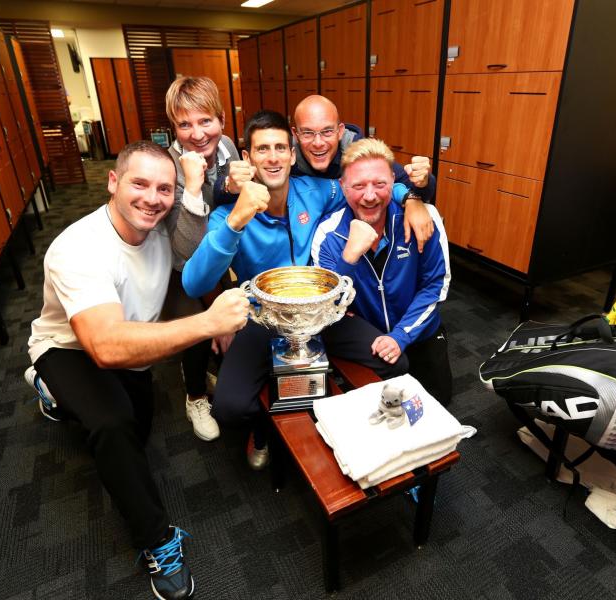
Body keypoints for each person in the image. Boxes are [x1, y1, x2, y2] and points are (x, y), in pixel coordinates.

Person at [25, 140, 251, 600]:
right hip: (71, 346)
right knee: (111, 425)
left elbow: (194, 271)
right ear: (113, 181)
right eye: (140, 183)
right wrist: (208, 323)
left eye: (164, 188)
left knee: (139, 429)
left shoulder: (163, 227)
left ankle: (75, 400)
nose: (152, 198)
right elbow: (105, 347)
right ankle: (158, 541)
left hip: (131, 344)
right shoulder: (78, 248)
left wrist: (216, 312)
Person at [181, 110, 408, 469]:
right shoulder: (227, 216)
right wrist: (238, 220)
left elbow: (365, 182)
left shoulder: (317, 190)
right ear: (247, 158)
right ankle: (264, 428)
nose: (272, 157)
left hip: (319, 312)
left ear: (291, 154)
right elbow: (193, 282)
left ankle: (353, 424)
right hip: (262, 319)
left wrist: (410, 198)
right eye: (262, 149)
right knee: (228, 408)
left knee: (393, 359)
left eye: (280, 148)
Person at [312, 138, 453, 405]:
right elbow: (327, 305)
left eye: (380, 184)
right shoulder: (327, 235)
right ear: (343, 187)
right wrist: (349, 257)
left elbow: (435, 286)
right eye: (358, 186)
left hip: (419, 330)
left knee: (437, 406)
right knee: (376, 414)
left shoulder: (424, 218)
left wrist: (400, 336)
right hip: (371, 338)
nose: (369, 195)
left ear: (394, 182)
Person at [217, 94, 438, 252]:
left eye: (327, 132)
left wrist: (414, 198)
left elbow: (398, 182)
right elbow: (230, 192)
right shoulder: (281, 157)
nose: (318, 143)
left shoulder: (359, 154)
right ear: (295, 134)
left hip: (353, 240)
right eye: (308, 133)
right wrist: (228, 185)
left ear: (340, 131)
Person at [161, 76, 239, 443]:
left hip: (216, 254)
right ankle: (194, 395)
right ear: (173, 128)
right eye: (184, 124)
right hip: (176, 265)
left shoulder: (228, 149)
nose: (197, 134)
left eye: (205, 120)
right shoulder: (169, 168)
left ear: (222, 119)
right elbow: (186, 254)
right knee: (195, 322)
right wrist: (192, 186)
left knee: (240, 313)